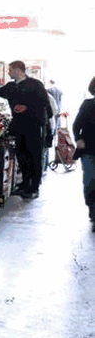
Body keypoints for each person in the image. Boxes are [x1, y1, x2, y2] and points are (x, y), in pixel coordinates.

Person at [0, 61, 53, 200]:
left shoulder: (35, 85)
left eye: (10, 70)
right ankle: (24, 184)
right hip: (18, 126)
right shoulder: (11, 87)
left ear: (18, 70)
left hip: (33, 126)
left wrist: (27, 107)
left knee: (34, 155)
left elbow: (44, 104)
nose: (8, 72)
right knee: (21, 155)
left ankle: (34, 188)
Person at [72, 76, 95, 229]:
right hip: (89, 150)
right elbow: (76, 125)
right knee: (91, 181)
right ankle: (93, 213)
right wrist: (78, 139)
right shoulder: (88, 105)